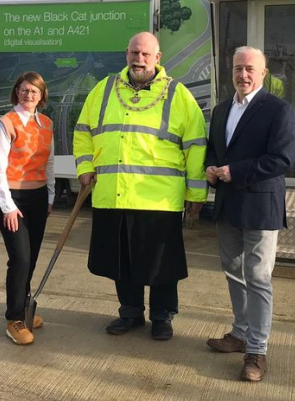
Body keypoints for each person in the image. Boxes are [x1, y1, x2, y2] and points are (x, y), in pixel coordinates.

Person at [73, 31, 207, 341]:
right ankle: (130, 312)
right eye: (135, 53)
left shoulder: (178, 95)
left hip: (158, 199)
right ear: (126, 54)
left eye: (146, 54)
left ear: (158, 58)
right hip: (113, 195)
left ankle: (162, 317)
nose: (140, 59)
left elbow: (196, 145)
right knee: (122, 262)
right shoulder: (104, 90)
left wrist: (196, 194)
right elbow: (83, 131)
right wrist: (84, 167)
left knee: (162, 265)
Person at [205, 46, 295, 382]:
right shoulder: (220, 110)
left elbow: (283, 159)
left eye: (249, 69)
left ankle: (256, 351)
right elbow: (214, 149)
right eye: (237, 68)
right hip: (229, 204)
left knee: (258, 277)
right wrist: (211, 169)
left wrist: (234, 171)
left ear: (263, 73)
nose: (242, 75)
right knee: (233, 270)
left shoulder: (278, 110)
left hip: (261, 206)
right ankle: (240, 332)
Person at [0, 72, 55, 345]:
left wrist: (50, 196)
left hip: (37, 197)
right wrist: (7, 207)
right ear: (17, 92)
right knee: (20, 258)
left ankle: (25, 310)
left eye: (34, 91)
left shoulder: (46, 124)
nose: (29, 95)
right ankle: (14, 318)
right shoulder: (6, 124)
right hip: (11, 198)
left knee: (32, 257)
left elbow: (49, 163)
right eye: (24, 90)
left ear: (41, 96)